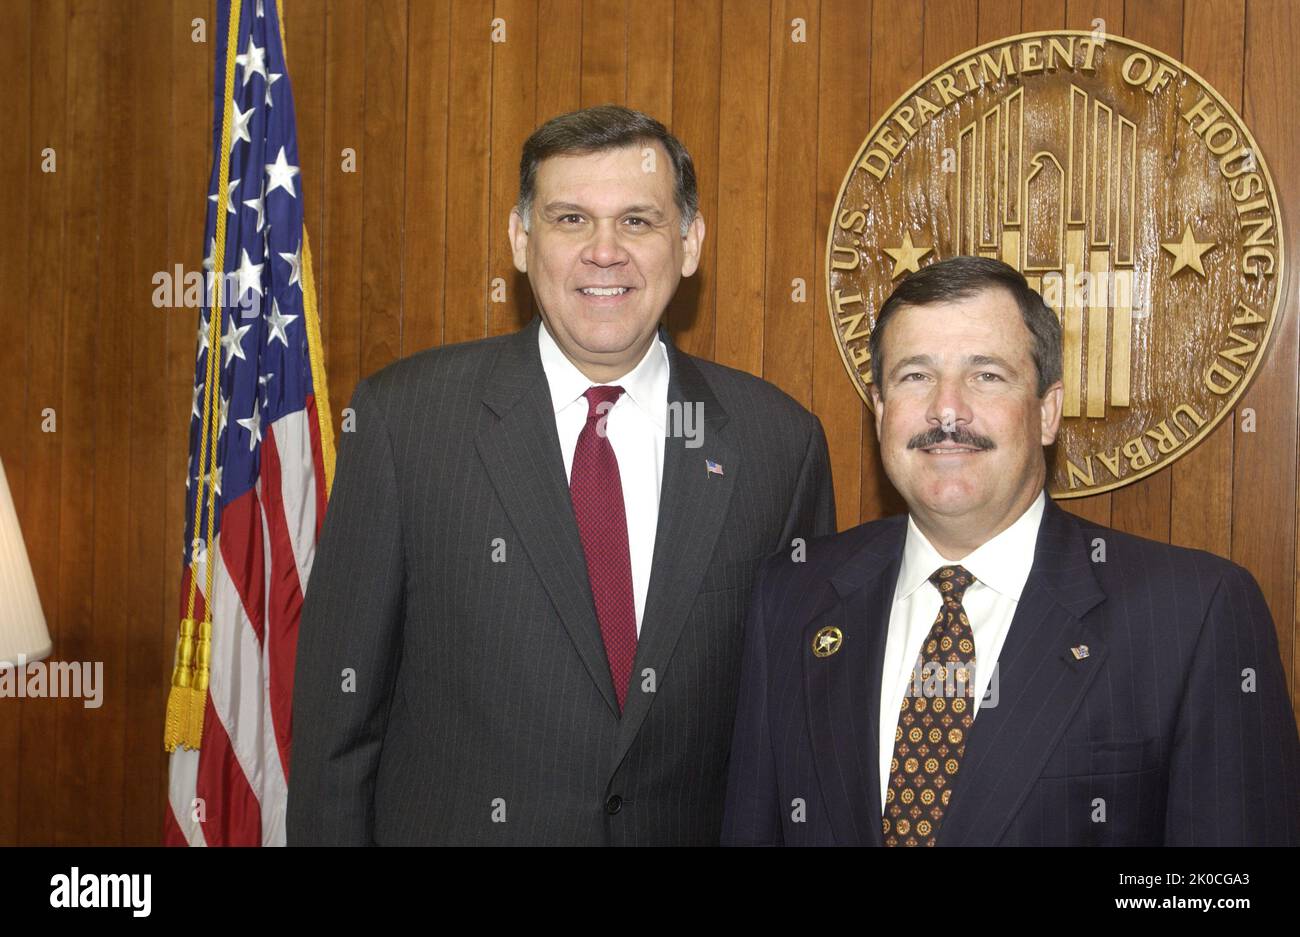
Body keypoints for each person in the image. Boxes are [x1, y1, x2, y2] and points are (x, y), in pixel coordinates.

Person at [287, 105, 836, 845]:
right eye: (571, 219)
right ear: (521, 239)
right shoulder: (404, 423)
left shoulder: (779, 444)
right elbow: (335, 737)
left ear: (690, 242)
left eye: (638, 221)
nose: (603, 252)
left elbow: (797, 740)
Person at [721, 255, 1300, 846]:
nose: (947, 409)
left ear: (1047, 412)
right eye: (915, 376)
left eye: (986, 375)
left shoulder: (1191, 615)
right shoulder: (792, 597)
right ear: (879, 412)